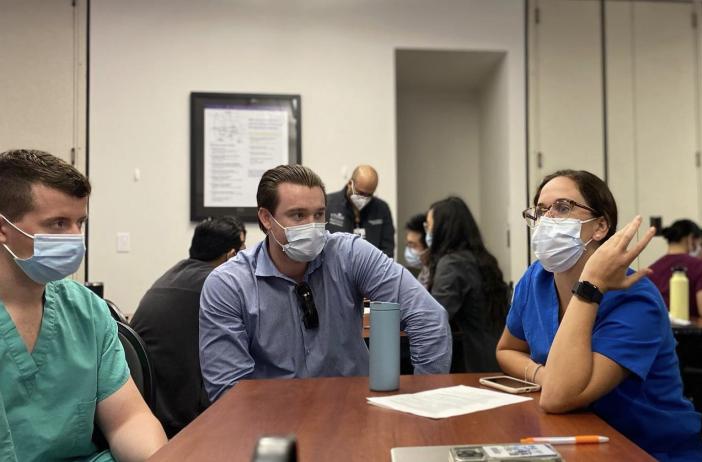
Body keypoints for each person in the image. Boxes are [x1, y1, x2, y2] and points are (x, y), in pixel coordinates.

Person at [496, 169, 702, 461]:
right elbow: (507, 350)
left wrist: (590, 284)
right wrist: (543, 375)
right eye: (541, 211)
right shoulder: (535, 279)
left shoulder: (636, 298)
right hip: (572, 436)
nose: (547, 219)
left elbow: (558, 396)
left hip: (648, 449)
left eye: (562, 208)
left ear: (600, 226)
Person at [199, 164, 452, 401]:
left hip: (355, 409)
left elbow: (429, 319)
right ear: (266, 218)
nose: (313, 227)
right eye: (298, 215)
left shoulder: (350, 254)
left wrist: (424, 401)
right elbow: (228, 388)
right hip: (273, 417)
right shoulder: (229, 285)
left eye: (319, 214)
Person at [0, 149, 166, 461]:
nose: (76, 238)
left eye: (80, 222)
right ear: (3, 229)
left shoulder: (85, 310)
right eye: (58, 223)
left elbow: (128, 420)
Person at [131, 216, 246, 437]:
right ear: (232, 256)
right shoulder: (219, 287)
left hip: (150, 407)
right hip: (184, 417)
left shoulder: (172, 275)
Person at [426, 197, 508, 372]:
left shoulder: (452, 264)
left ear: (442, 229)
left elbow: (434, 316)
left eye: (429, 226)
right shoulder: (483, 259)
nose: (428, 232)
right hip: (496, 354)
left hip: (473, 363)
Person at [325, 165, 395, 257]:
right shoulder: (328, 204)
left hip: (372, 264)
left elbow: (387, 250)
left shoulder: (382, 209)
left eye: (369, 195)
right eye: (360, 193)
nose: (364, 198)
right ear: (350, 184)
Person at [648, 219, 702, 318]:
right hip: (691, 327)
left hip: (658, 326)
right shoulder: (701, 266)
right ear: (690, 238)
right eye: (699, 244)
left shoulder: (650, 270)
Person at [403, 213, 430, 287]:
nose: (409, 250)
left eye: (413, 245)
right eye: (408, 244)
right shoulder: (424, 273)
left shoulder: (437, 275)